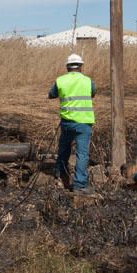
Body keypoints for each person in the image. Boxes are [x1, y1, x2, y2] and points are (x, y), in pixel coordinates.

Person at [48, 53, 96, 194]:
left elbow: (51, 94)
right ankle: (79, 185)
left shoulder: (60, 80)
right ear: (80, 66)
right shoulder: (88, 81)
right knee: (82, 154)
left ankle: (60, 174)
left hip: (67, 122)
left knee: (64, 149)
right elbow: (93, 93)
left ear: (67, 67)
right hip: (84, 123)